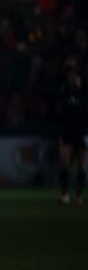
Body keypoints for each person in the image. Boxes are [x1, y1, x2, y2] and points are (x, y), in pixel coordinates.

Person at [57, 69, 87, 205]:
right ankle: (64, 194)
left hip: (82, 133)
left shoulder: (85, 96)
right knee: (64, 164)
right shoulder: (64, 95)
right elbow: (60, 114)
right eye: (71, 78)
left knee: (82, 165)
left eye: (76, 78)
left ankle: (79, 195)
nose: (74, 80)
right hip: (67, 132)